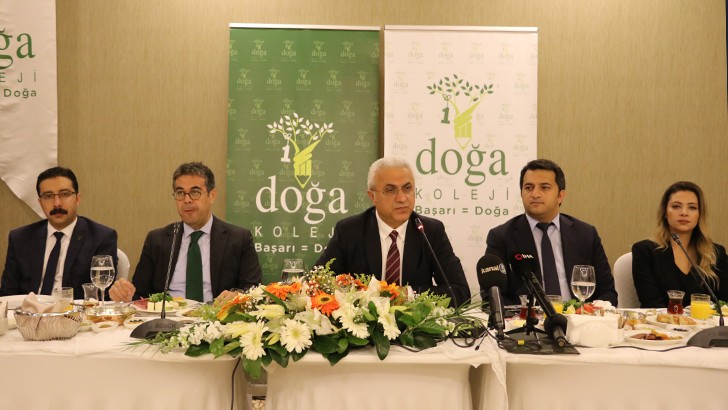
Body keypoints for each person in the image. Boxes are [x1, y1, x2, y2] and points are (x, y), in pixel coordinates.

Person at [315, 157, 470, 306]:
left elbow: (460, 293)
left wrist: (407, 294)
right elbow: (318, 285)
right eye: (390, 190)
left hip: (415, 323)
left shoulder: (430, 231)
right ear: (372, 196)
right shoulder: (349, 231)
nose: (402, 198)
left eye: (407, 188)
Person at [109, 162, 262, 303]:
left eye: (195, 192)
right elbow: (140, 294)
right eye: (180, 193)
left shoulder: (238, 238)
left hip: (215, 318)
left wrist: (237, 295)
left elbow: (253, 289)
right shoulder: (157, 240)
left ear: (212, 195)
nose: (187, 200)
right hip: (167, 319)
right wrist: (126, 295)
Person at [484, 159, 617, 306]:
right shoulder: (501, 237)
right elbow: (493, 297)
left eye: (544, 187)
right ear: (521, 193)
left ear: (560, 195)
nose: (535, 194)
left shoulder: (586, 234)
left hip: (579, 315)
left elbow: (607, 291)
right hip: (528, 318)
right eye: (528, 187)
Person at [0, 167, 118, 299]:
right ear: (40, 202)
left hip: (74, 311)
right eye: (48, 196)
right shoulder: (20, 238)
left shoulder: (101, 237)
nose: (57, 204)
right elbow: (7, 293)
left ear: (77, 199)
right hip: (29, 310)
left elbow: (103, 294)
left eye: (64, 194)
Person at [632, 181, 728, 308]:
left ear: (699, 214)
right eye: (676, 206)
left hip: (708, 320)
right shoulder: (645, 251)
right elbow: (651, 303)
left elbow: (725, 303)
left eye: (692, 207)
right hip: (662, 320)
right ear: (665, 212)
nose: (684, 212)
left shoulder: (716, 253)